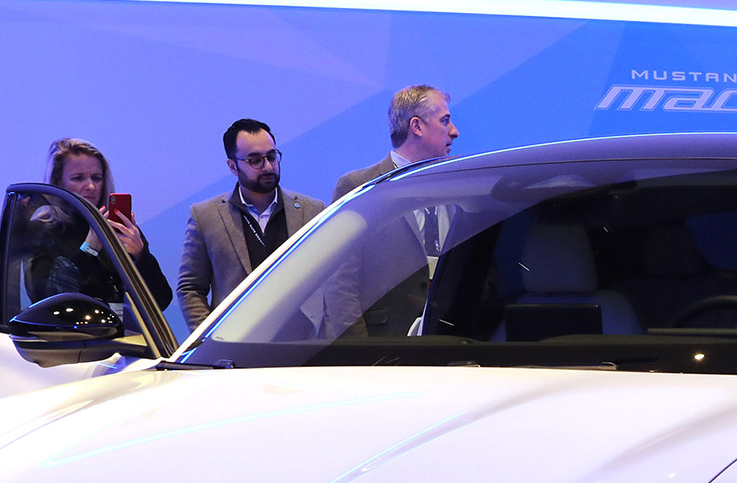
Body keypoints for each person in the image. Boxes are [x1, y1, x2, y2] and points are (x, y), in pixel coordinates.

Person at [177, 119, 323, 330]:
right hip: (237, 346)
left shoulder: (312, 211)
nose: (268, 166)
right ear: (232, 166)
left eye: (271, 156)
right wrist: (208, 339)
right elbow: (190, 287)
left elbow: (333, 280)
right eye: (255, 160)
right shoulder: (205, 216)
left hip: (306, 342)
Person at [31, 138, 173, 310]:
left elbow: (161, 301)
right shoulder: (43, 231)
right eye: (78, 178)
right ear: (58, 182)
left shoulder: (120, 228)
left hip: (125, 333)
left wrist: (141, 257)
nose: (90, 186)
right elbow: (51, 299)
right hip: (70, 334)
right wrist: (88, 250)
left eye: (97, 178)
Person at [331, 86, 459, 202]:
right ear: (417, 126)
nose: (455, 132)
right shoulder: (357, 185)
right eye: (444, 121)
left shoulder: (453, 184)